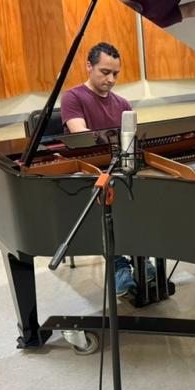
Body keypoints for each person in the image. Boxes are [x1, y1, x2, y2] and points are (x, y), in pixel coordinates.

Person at [61, 42, 154, 296]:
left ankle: (141, 255)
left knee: (145, 192)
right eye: (105, 72)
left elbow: (132, 142)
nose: (111, 79)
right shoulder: (73, 97)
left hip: (119, 167)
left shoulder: (122, 103)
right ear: (89, 66)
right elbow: (82, 135)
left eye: (115, 74)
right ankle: (117, 263)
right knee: (106, 199)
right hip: (91, 170)